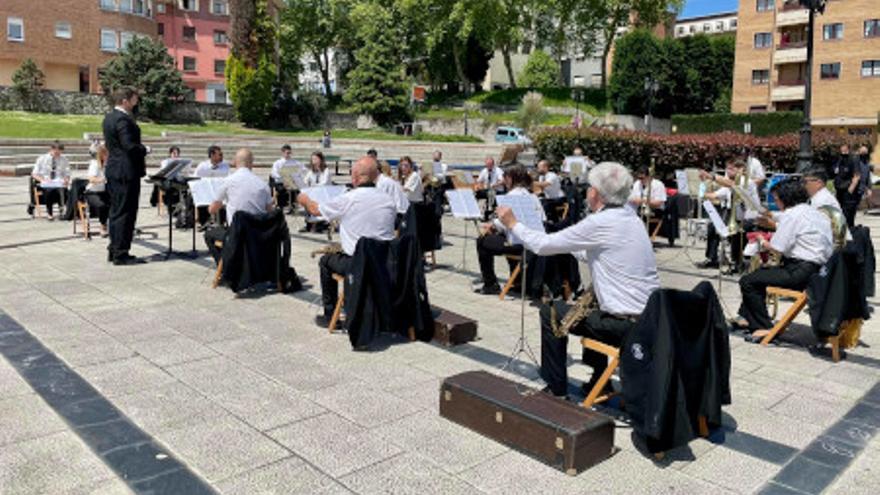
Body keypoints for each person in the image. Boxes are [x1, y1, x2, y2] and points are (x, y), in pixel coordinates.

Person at [496, 162, 659, 399]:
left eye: (589, 187)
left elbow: (542, 246)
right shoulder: (630, 217)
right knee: (589, 303)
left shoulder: (600, 221)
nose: (587, 192)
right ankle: (599, 380)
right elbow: (593, 253)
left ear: (596, 193)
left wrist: (513, 224)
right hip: (650, 316)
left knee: (551, 311)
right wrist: (568, 244)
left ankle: (556, 388)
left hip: (625, 325)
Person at [298, 156, 397, 327]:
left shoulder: (349, 198)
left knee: (325, 261)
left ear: (355, 177)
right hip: (385, 262)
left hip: (357, 264)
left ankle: (330, 315)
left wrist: (304, 199)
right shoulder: (388, 199)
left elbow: (315, 210)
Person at [732, 178, 833, 338]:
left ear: (785, 199)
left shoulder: (792, 215)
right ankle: (745, 317)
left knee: (748, 281)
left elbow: (778, 247)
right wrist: (769, 218)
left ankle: (763, 326)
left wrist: (762, 240)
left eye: (776, 199)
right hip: (818, 271)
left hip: (799, 273)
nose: (776, 202)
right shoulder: (813, 212)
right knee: (759, 274)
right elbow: (785, 220)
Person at [474, 165, 545, 295]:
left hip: (518, 244)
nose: (504, 181)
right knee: (503, 237)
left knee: (481, 241)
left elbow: (503, 224)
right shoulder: (533, 196)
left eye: (505, 178)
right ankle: (517, 281)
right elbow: (542, 220)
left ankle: (490, 284)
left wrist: (492, 226)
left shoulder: (510, 196)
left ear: (510, 179)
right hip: (535, 242)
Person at [103, 87, 148, 265]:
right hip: (126, 172)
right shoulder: (122, 120)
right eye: (134, 100)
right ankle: (121, 253)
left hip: (114, 170)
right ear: (125, 101)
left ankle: (114, 249)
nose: (136, 103)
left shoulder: (109, 117)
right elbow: (129, 146)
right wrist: (145, 149)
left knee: (115, 212)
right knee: (126, 213)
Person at [204, 148, 274, 262]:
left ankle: (226, 269)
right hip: (258, 234)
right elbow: (271, 212)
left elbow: (212, 210)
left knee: (209, 235)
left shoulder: (228, 181)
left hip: (237, 234)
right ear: (252, 164)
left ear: (235, 162)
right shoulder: (263, 184)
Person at [696, 159, 762, 271]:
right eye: (727, 168)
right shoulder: (729, 185)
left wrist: (711, 176)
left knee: (736, 232)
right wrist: (701, 188)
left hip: (749, 219)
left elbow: (730, 184)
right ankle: (712, 259)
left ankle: (737, 262)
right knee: (712, 227)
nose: (728, 171)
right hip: (736, 217)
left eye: (731, 169)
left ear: (741, 170)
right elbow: (714, 195)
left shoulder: (745, 182)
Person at [31, 140, 71, 220]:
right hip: (46, 182)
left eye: (59, 152)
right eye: (56, 152)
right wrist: (42, 180)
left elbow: (67, 173)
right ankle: (50, 212)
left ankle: (61, 210)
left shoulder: (64, 160)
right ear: (51, 149)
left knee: (62, 189)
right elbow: (34, 174)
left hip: (58, 182)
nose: (58, 154)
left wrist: (66, 180)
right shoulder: (42, 159)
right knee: (49, 190)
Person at [192, 145, 230, 228]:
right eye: (219, 154)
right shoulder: (202, 166)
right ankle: (202, 220)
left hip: (219, 192)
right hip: (205, 192)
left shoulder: (225, 166)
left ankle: (222, 220)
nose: (221, 157)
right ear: (212, 155)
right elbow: (194, 180)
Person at [833, 144, 861, 228]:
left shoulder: (853, 159)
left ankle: (850, 234)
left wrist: (850, 190)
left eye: (845, 149)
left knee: (848, 215)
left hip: (848, 191)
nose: (843, 151)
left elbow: (857, 175)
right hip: (839, 191)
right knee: (840, 214)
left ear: (848, 149)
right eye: (841, 150)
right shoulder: (839, 159)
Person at [86, 144, 111, 237]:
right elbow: (91, 179)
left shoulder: (108, 164)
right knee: (102, 206)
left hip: (104, 191)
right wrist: (102, 180)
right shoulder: (94, 164)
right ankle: (103, 226)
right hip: (92, 192)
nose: (108, 156)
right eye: (106, 154)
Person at [270, 144, 302, 212]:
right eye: (287, 153)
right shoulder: (277, 163)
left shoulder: (295, 162)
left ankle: (292, 204)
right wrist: (283, 179)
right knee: (281, 189)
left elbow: (301, 169)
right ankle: (280, 205)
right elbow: (274, 173)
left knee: (297, 188)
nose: (289, 155)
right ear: (283, 153)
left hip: (291, 182)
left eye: (290, 153)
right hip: (281, 182)